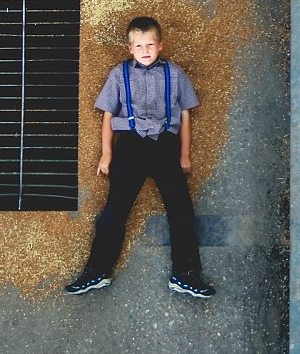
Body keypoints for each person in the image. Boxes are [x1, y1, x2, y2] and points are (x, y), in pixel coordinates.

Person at [65, 17, 216, 299]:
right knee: (114, 211)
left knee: (181, 210)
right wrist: (106, 154)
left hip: (165, 146)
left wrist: (184, 155)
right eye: (138, 45)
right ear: (130, 48)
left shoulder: (174, 73)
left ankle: (185, 274)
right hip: (131, 146)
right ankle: (96, 272)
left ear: (160, 45)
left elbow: (184, 115)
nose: (145, 50)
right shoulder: (119, 73)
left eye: (150, 44)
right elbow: (108, 115)